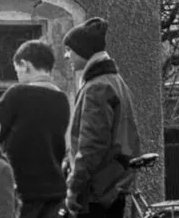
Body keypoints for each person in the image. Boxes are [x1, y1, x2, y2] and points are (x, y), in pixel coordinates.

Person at [60, 18, 141, 218]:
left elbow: (91, 146)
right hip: (112, 188)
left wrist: (73, 187)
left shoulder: (96, 87)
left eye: (70, 50)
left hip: (95, 193)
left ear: (84, 51)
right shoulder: (115, 82)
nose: (66, 55)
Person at [0, 40, 70, 218]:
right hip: (54, 189)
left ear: (25, 65)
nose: (18, 76)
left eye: (17, 70)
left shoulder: (17, 94)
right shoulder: (62, 100)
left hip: (22, 188)